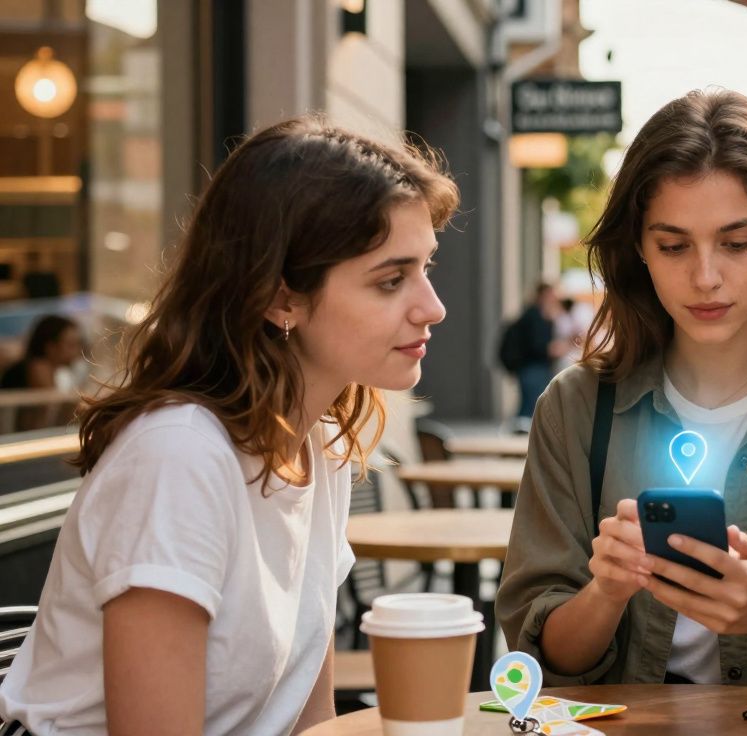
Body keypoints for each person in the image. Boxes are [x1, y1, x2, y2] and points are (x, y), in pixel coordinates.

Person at [0, 116, 457, 735]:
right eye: (391, 280)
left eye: (426, 268)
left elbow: (308, 722)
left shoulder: (318, 445)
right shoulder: (180, 458)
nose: (432, 306)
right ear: (281, 298)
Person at [496, 89, 747, 688]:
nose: (706, 277)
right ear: (638, 248)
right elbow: (542, 658)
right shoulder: (576, 406)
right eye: (673, 246)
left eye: (737, 243)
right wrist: (607, 591)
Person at [1, 314, 83, 432]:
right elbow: (54, 411)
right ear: (50, 347)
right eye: (71, 345)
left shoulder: (50, 370)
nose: (77, 351)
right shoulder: (38, 368)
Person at [504, 282, 567, 422]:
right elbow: (536, 345)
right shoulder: (535, 316)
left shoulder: (539, 315)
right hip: (532, 367)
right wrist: (553, 349)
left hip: (533, 367)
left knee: (528, 406)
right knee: (530, 408)